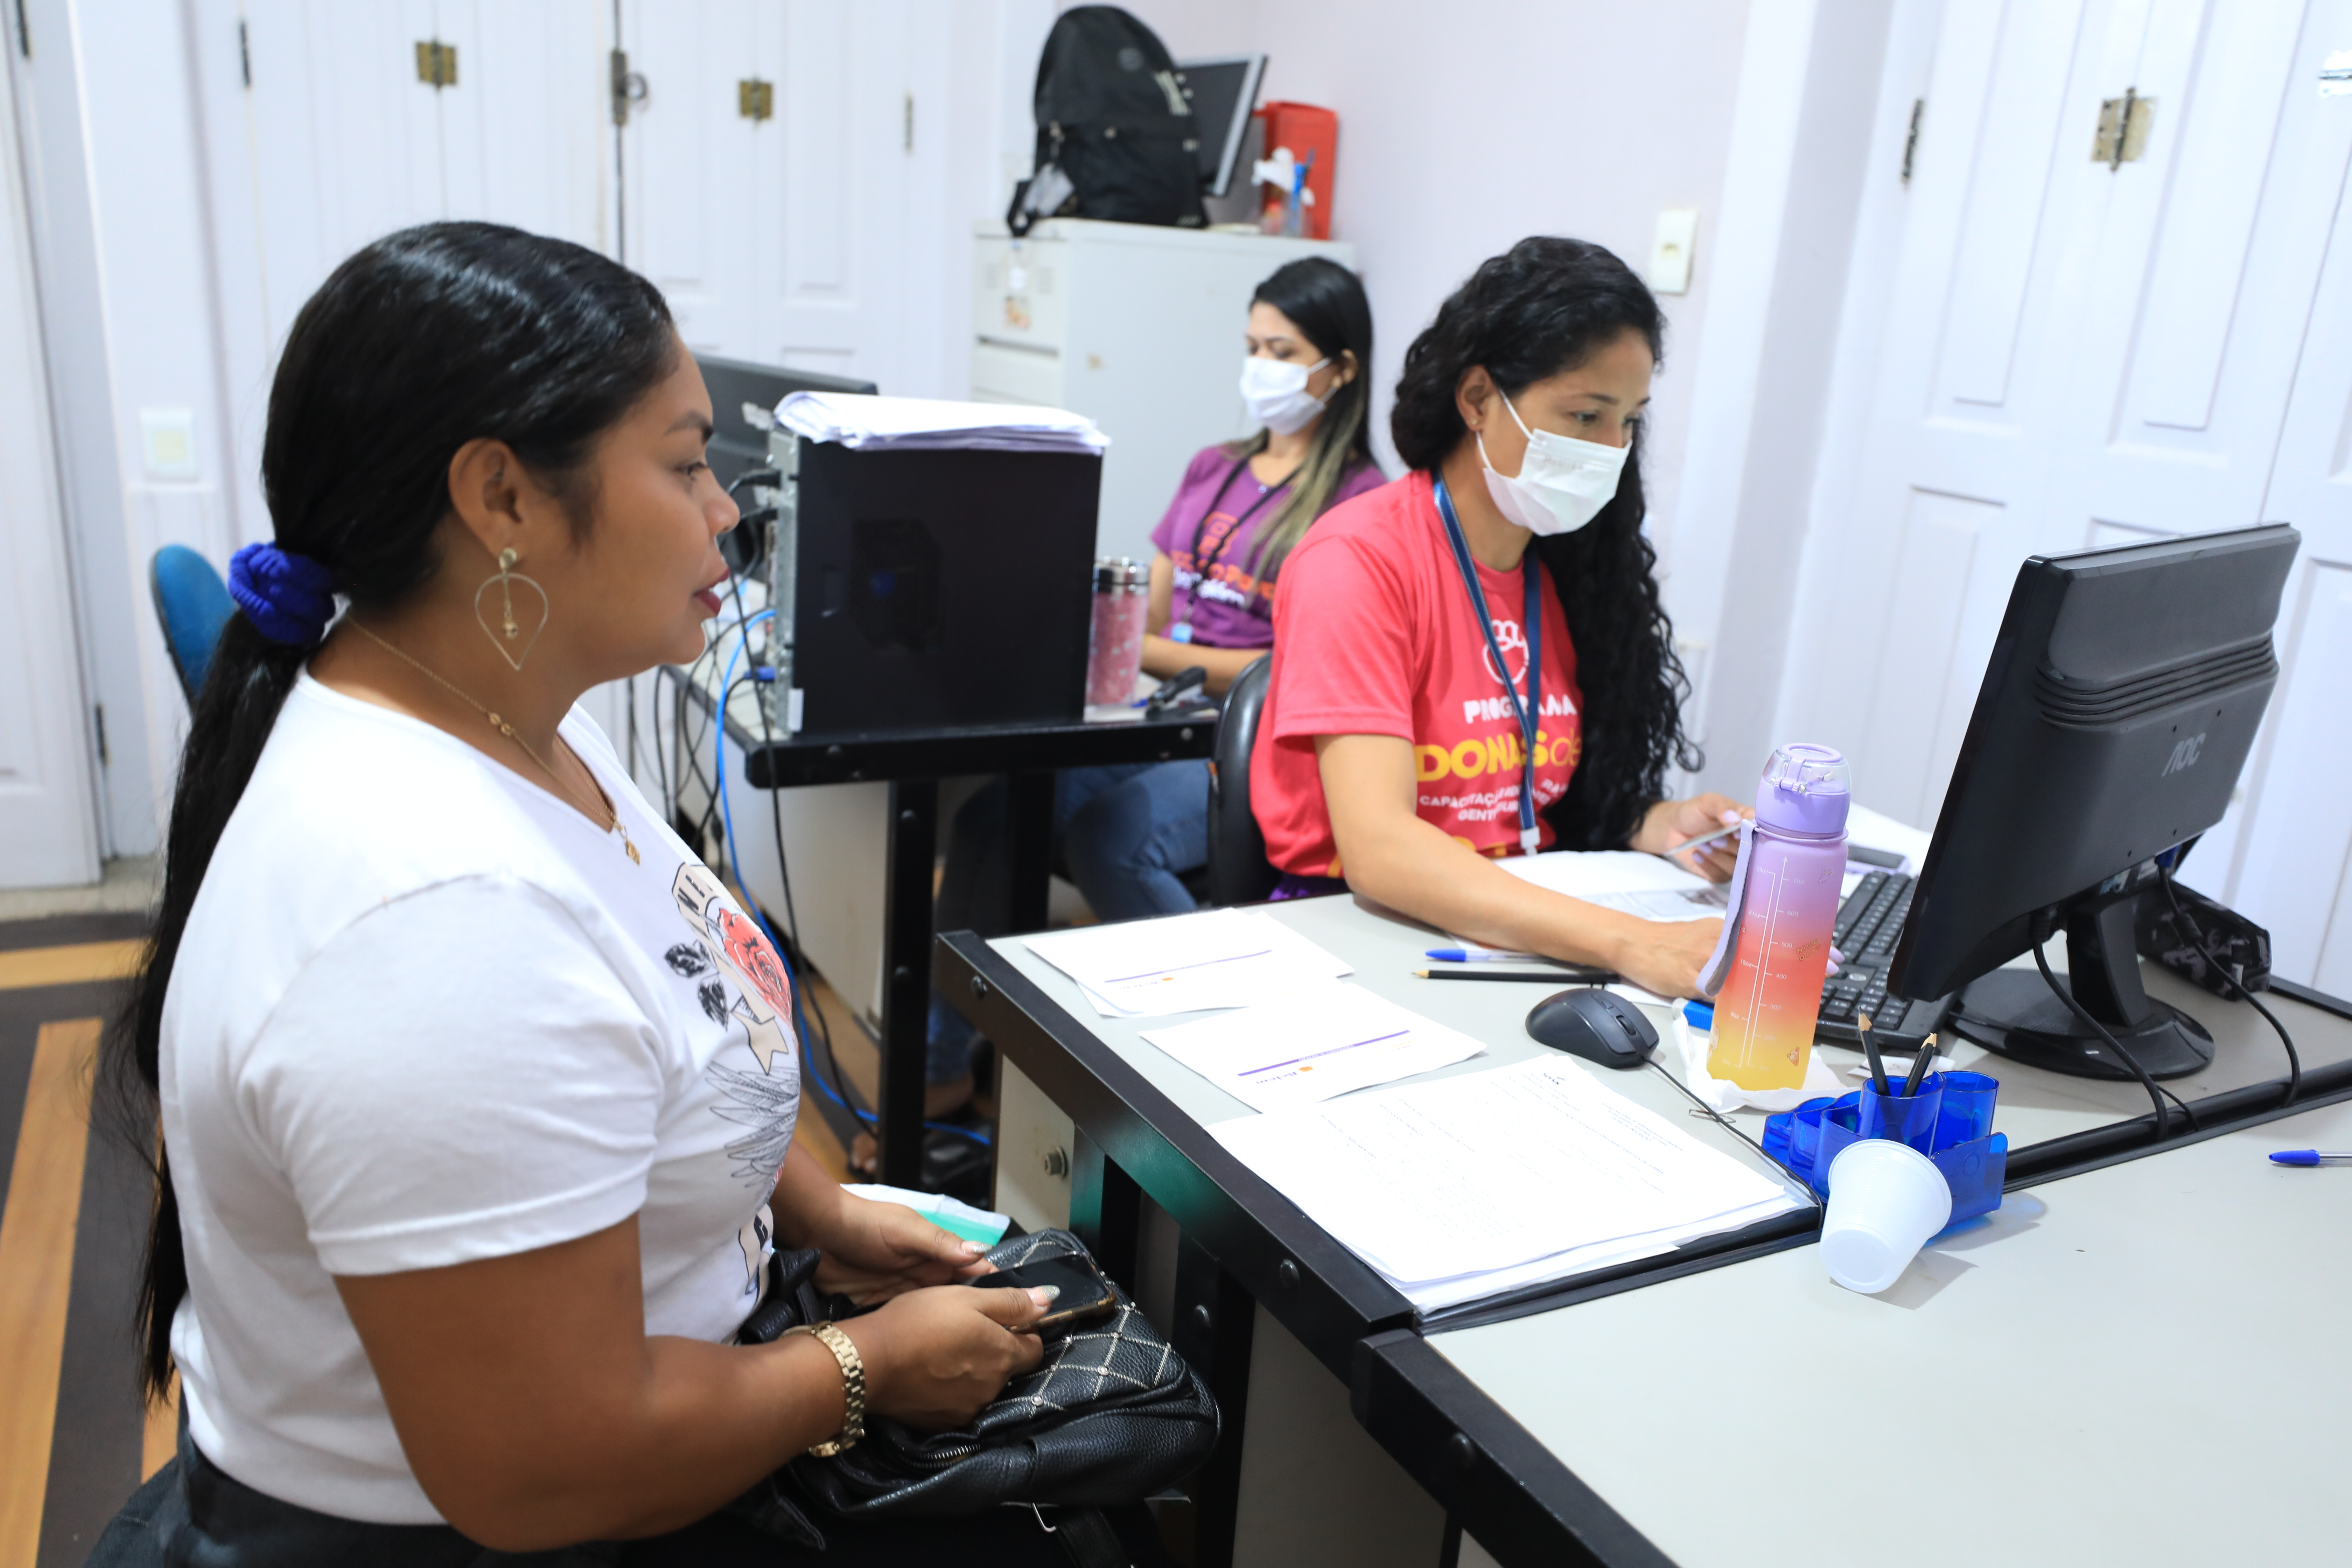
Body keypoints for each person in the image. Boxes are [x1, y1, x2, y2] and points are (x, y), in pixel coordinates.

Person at [91, 224, 1165, 1566]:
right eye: (683, 462)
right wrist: (857, 1369)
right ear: (502, 500)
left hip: (664, 1389)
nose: (726, 508)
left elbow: (672, 983)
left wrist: (814, 1209)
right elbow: (545, 1469)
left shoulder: (516, 715)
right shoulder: (435, 926)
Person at [883, 260, 1384, 1177]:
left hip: (1249, 744)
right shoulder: (1214, 468)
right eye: (1252, 347)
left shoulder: (1357, 505)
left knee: (1117, 840)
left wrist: (1142, 653)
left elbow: (1288, 674)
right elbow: (1145, 609)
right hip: (1152, 717)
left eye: (1284, 351)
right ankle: (947, 1069)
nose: (1261, 366)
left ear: (1341, 369)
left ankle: (1218, 1058)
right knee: (988, 820)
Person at [1249, 237, 1750, 1001]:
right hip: (1361, 936)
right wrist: (1630, 941)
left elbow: (1538, 803)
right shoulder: (1355, 560)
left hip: (1518, 926)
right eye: (1585, 415)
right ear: (1478, 398)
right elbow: (1381, 850)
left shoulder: (1559, 567)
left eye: (1629, 421)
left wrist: (1664, 824)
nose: (1612, 450)